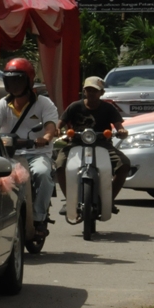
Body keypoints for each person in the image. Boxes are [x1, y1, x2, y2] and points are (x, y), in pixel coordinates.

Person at [0, 58, 59, 238]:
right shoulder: (2, 105)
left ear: (28, 81)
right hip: (10, 155)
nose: (14, 85)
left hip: (37, 153)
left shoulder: (44, 103)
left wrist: (45, 137)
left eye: (18, 80)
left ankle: (39, 218)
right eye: (10, 81)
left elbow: (51, 125)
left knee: (43, 173)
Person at [55, 75, 130, 212]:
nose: (91, 93)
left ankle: (108, 200)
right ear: (84, 92)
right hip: (76, 144)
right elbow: (61, 123)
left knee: (124, 164)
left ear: (102, 93)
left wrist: (122, 131)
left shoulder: (108, 108)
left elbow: (119, 125)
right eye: (88, 90)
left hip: (103, 144)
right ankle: (69, 200)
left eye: (95, 90)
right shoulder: (75, 106)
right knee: (59, 165)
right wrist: (58, 130)